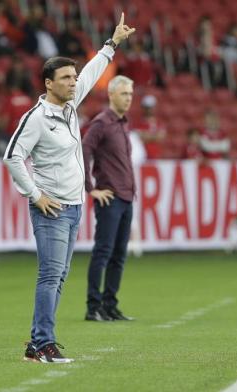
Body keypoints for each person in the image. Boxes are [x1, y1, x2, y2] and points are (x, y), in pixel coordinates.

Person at [3, 13, 135, 363]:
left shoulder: (70, 107)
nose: (73, 83)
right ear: (48, 83)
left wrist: (111, 44)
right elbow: (12, 157)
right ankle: (42, 342)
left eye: (73, 78)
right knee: (50, 276)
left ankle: (39, 343)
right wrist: (35, 194)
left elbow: (91, 75)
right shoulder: (35, 118)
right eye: (65, 78)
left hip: (73, 206)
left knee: (58, 276)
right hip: (52, 207)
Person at [82, 76, 136, 322]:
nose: (128, 98)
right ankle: (93, 306)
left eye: (130, 94)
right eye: (124, 93)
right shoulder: (102, 123)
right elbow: (84, 148)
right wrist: (90, 187)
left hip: (125, 197)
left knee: (118, 255)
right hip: (110, 197)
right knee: (103, 252)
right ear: (112, 95)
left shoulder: (123, 124)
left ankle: (109, 305)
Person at [133, 94, 166, 159]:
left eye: (151, 107)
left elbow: (161, 137)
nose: (149, 109)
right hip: (141, 156)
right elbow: (136, 137)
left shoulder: (159, 123)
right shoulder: (137, 123)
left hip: (156, 156)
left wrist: (145, 135)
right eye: (147, 107)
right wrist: (154, 136)